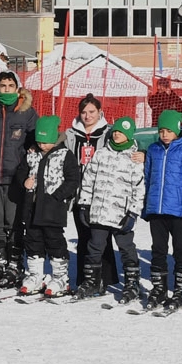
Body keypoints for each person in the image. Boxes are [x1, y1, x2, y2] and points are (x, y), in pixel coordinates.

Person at [0, 70, 36, 285]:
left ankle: (15, 264)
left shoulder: (26, 112)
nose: (7, 89)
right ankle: (1, 262)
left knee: (13, 221)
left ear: (17, 88)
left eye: (11, 85)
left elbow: (36, 141)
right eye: (3, 86)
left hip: (15, 177)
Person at [76, 117, 145, 303]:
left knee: (126, 247)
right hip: (99, 211)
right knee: (94, 246)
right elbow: (88, 179)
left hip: (121, 214)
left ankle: (132, 283)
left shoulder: (134, 158)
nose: (116, 134)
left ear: (129, 135)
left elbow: (139, 188)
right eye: (115, 131)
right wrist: (84, 203)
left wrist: (133, 212)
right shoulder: (101, 154)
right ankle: (92, 281)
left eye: (121, 132)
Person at [12, 115, 80, 298]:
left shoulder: (65, 155)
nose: (42, 145)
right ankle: (35, 274)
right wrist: (24, 182)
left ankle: (60, 277)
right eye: (39, 141)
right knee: (33, 241)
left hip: (53, 209)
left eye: (45, 142)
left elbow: (74, 179)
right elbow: (21, 172)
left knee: (54, 242)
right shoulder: (32, 154)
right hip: (32, 208)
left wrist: (58, 195)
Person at [141, 109, 182, 309]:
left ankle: (181, 289)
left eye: (168, 130)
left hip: (178, 211)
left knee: (180, 250)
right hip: (156, 210)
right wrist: (147, 205)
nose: (164, 134)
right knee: (158, 250)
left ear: (177, 129)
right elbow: (149, 178)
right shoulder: (154, 150)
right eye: (161, 130)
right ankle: (159, 288)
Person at [65, 95, 115, 287]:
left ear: (100, 112)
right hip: (79, 195)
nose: (87, 116)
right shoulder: (71, 134)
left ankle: (105, 278)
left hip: (101, 194)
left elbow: (127, 146)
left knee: (101, 237)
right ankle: (85, 279)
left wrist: (140, 154)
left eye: (92, 112)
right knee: (84, 237)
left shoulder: (109, 133)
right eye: (84, 112)